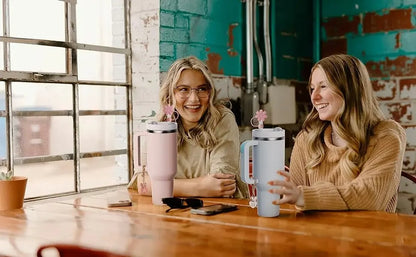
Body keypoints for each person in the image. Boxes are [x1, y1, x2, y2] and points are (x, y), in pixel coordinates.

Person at [268, 54, 406, 212]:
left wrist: (303, 196)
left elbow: (370, 196)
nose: (314, 97)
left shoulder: (387, 135)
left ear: (350, 89)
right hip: (316, 234)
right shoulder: (307, 138)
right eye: (312, 89)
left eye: (323, 86)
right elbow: (291, 202)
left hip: (369, 234)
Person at [131, 56, 248, 199]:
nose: (194, 99)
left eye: (201, 89)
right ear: (171, 94)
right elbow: (143, 183)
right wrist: (199, 187)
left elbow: (221, 185)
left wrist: (164, 186)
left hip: (222, 211)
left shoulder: (222, 119)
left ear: (209, 92)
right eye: (183, 89)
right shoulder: (160, 124)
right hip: (175, 213)